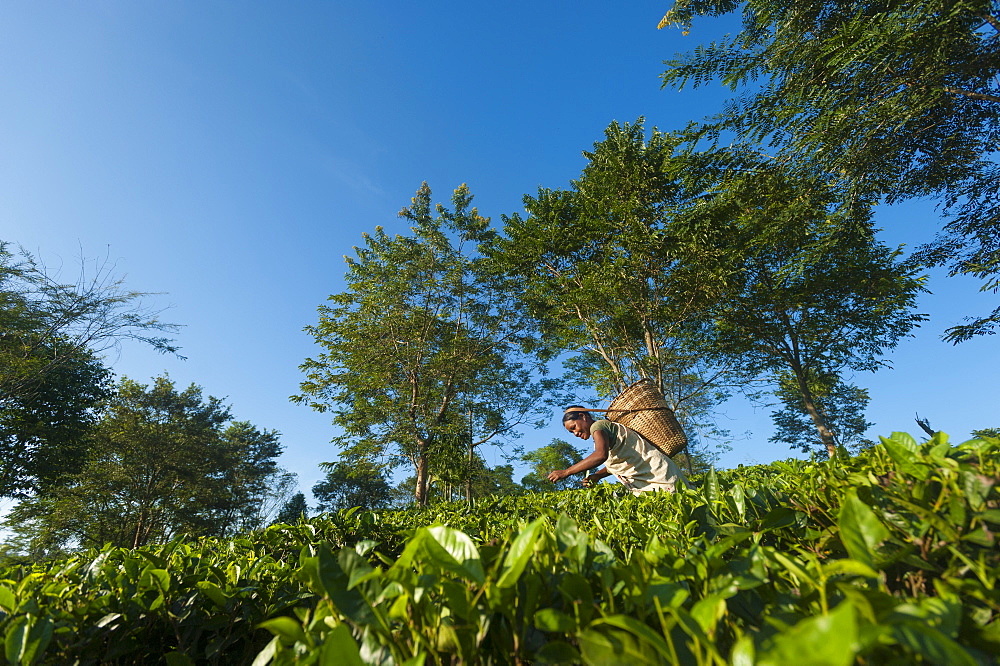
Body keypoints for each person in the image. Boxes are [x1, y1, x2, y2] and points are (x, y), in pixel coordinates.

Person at [547, 406, 693, 495]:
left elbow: (600, 455)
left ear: (583, 417)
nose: (576, 433)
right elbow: (617, 462)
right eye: (571, 433)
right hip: (654, 478)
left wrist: (566, 472)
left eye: (574, 427)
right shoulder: (603, 430)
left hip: (659, 477)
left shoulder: (598, 427)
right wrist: (597, 476)